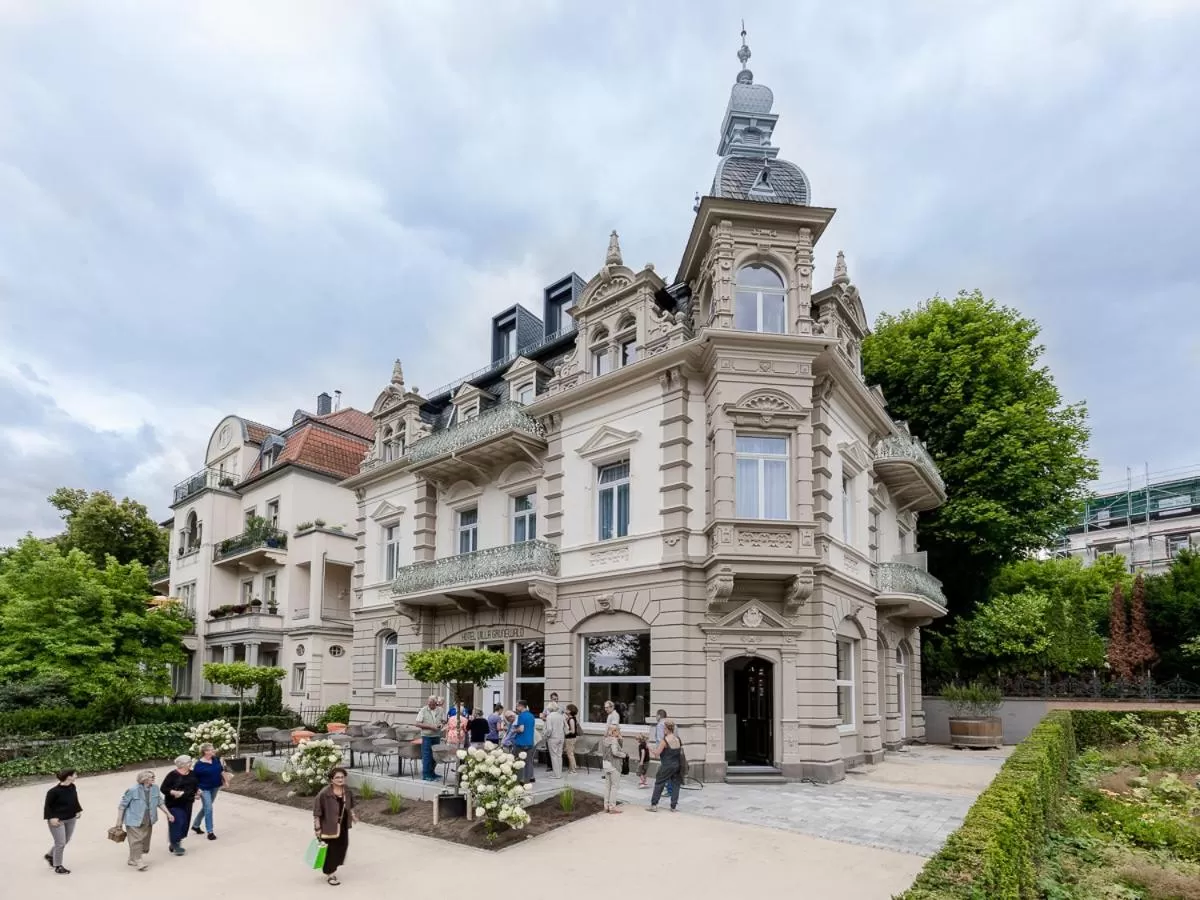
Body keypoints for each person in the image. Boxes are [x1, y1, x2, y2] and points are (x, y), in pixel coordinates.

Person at [118, 770, 173, 871]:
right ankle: (139, 861)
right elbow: (122, 806)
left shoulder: (155, 788)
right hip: (133, 819)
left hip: (148, 818)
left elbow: (160, 802)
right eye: (151, 777)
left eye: (153, 777)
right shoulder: (132, 790)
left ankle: (132, 859)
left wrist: (168, 814)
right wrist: (119, 823)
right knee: (136, 840)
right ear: (144, 779)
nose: (153, 778)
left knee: (144, 840)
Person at [312, 767, 358, 886]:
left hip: (342, 825)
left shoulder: (346, 790)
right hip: (328, 825)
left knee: (343, 846)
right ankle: (330, 874)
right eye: (337, 777)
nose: (340, 779)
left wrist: (353, 815)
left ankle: (332, 867)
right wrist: (317, 828)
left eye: (342, 777)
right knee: (331, 850)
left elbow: (350, 804)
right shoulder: (324, 793)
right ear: (331, 779)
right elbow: (317, 812)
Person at [44, 768, 82, 874]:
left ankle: (50, 855)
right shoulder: (53, 792)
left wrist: (78, 810)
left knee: (65, 840)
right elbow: (47, 807)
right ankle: (58, 866)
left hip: (71, 818)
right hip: (58, 820)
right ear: (68, 777)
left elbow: (74, 799)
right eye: (75, 774)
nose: (76, 776)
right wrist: (51, 818)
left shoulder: (72, 786)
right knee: (60, 843)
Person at [162, 755, 198, 855]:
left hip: (187, 802)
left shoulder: (192, 773)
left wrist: (197, 792)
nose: (191, 763)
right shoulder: (172, 775)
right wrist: (173, 792)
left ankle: (174, 841)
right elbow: (163, 788)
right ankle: (176, 845)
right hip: (173, 804)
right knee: (177, 822)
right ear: (182, 764)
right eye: (189, 762)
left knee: (184, 825)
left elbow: (195, 785)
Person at [190, 743, 226, 840]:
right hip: (204, 788)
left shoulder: (216, 760)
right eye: (211, 749)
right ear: (205, 752)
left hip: (215, 787)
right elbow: (194, 779)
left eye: (213, 749)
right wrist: (196, 790)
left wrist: (226, 781)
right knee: (209, 808)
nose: (213, 751)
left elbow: (221, 771)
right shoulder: (199, 765)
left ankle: (195, 825)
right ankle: (210, 832)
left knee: (206, 807)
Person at [649, 719, 684, 812]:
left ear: (668, 729)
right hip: (677, 766)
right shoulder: (678, 739)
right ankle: (673, 807)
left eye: (664, 728)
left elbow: (657, 753)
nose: (663, 730)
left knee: (659, 783)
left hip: (666, 766)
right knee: (676, 785)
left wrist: (649, 748)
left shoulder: (664, 741)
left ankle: (654, 805)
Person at [601, 724, 628, 814]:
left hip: (605, 764)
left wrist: (620, 738)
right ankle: (612, 807)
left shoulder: (604, 739)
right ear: (614, 731)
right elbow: (615, 752)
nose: (619, 732)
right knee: (614, 786)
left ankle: (606, 806)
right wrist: (624, 755)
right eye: (618, 730)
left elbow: (619, 745)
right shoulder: (614, 740)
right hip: (614, 765)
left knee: (607, 786)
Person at [416, 695, 443, 781]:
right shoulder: (423, 710)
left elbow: (443, 720)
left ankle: (432, 773)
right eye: (429, 703)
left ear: (436, 703)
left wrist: (441, 724)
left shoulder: (440, 710)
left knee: (435, 756)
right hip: (427, 736)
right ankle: (426, 774)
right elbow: (417, 723)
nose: (430, 705)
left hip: (436, 735)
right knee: (427, 755)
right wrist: (431, 727)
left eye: (432, 704)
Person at [511, 699, 537, 784]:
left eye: (517, 705)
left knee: (519, 762)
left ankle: (519, 780)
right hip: (530, 742)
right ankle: (527, 780)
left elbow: (521, 729)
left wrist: (514, 730)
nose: (516, 707)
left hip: (521, 742)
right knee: (528, 762)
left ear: (521, 706)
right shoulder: (531, 715)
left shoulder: (521, 716)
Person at [544, 702, 566, 779]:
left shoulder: (549, 716)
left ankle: (556, 774)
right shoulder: (561, 715)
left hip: (553, 738)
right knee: (559, 756)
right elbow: (565, 727)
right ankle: (559, 773)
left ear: (550, 708)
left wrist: (546, 736)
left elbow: (549, 729)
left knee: (554, 756)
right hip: (561, 737)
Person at [564, 704, 582, 774]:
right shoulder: (571, 718)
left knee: (570, 754)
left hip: (570, 738)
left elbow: (573, 731)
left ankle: (573, 769)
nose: (566, 710)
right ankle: (571, 768)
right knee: (570, 753)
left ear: (570, 711)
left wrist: (567, 732)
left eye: (567, 709)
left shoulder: (571, 719)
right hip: (571, 738)